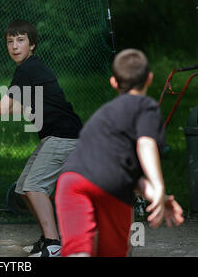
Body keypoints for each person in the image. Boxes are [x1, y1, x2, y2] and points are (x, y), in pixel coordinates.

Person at [0, 20, 83, 257]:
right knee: (22, 189)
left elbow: (9, 105)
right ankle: (48, 238)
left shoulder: (29, 68)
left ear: (32, 45)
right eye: (10, 41)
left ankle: (53, 244)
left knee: (34, 186)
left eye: (20, 40)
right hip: (54, 136)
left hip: (64, 136)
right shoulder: (27, 69)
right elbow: (16, 106)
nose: (14, 46)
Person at [55, 49, 184, 257]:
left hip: (71, 181)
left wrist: (158, 196)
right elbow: (145, 144)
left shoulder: (104, 114)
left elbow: (124, 174)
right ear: (149, 79)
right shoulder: (146, 106)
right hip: (112, 188)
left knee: (77, 250)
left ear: (114, 82)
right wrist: (159, 186)